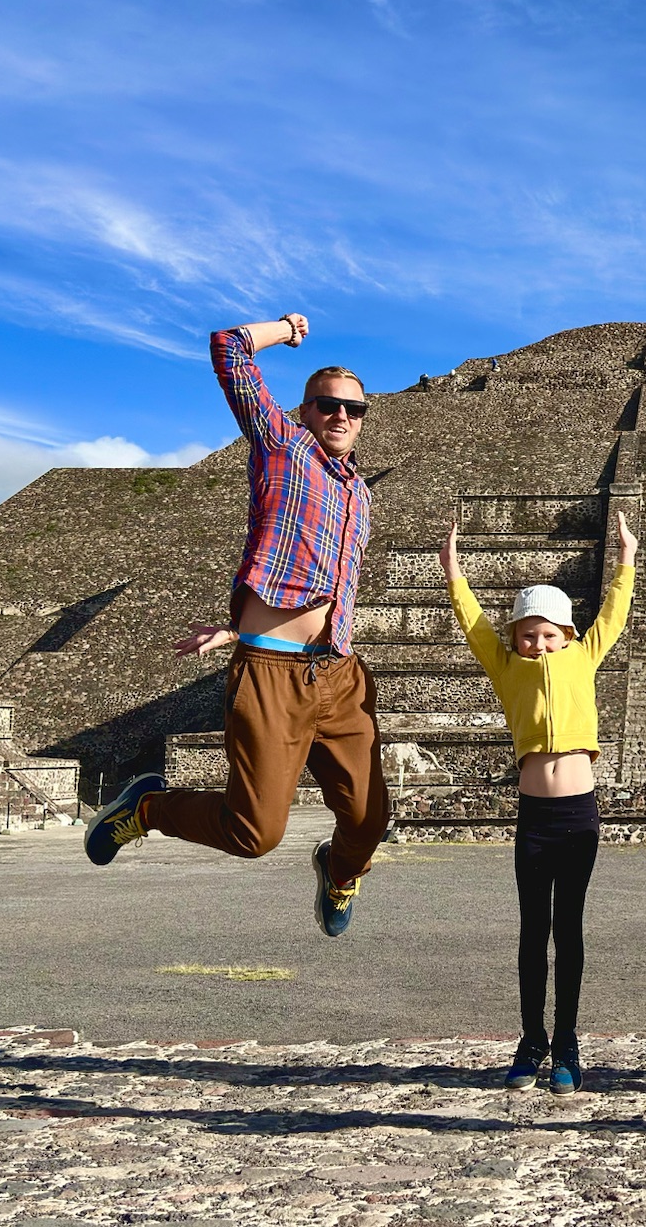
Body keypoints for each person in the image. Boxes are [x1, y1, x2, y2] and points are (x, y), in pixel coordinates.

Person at [83, 313, 387, 942]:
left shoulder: (359, 492)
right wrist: (286, 329)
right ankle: (147, 808)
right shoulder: (283, 445)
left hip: (339, 672)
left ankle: (339, 870)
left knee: (368, 818)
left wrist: (231, 625)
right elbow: (229, 348)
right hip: (273, 673)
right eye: (328, 404)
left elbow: (303, 570)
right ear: (305, 411)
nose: (341, 416)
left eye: (354, 409)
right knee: (255, 834)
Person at [443, 513, 638, 1095]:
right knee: (533, 932)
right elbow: (473, 623)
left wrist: (626, 558)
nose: (538, 643)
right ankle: (532, 1040)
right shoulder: (505, 667)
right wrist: (453, 570)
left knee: (568, 930)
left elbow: (613, 614)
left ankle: (567, 1042)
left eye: (549, 634)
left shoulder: (585, 656)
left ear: (568, 635)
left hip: (578, 815)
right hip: (534, 819)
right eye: (528, 634)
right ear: (515, 638)